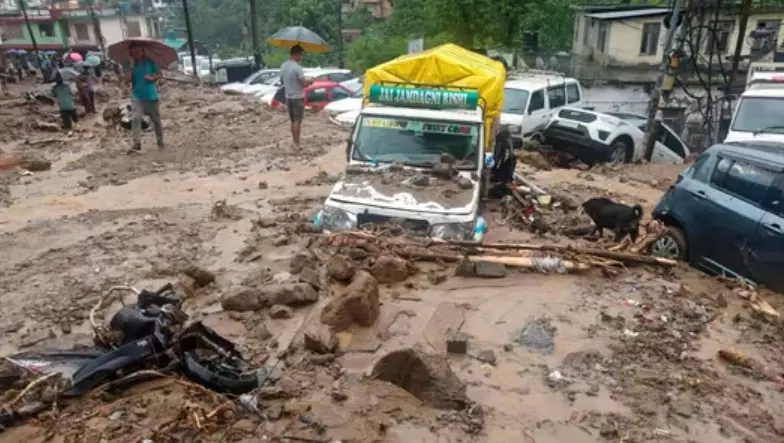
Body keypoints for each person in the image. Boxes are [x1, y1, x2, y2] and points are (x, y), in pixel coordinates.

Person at [127, 42, 164, 154]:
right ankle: (136, 143)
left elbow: (160, 74)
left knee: (156, 120)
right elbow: (126, 79)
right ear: (131, 52)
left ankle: (160, 140)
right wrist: (131, 67)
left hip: (151, 95)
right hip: (137, 96)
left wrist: (152, 78)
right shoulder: (129, 64)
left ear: (142, 51)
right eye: (134, 51)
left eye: (139, 51)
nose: (137, 53)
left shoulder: (149, 62)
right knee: (136, 118)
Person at [279, 45, 312, 149]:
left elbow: (281, 80)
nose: (301, 57)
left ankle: (294, 141)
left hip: (288, 97)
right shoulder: (297, 68)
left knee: (293, 120)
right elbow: (304, 84)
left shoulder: (283, 66)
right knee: (298, 121)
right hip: (297, 97)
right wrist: (310, 82)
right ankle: (297, 143)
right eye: (301, 55)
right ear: (296, 54)